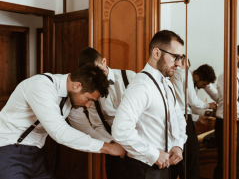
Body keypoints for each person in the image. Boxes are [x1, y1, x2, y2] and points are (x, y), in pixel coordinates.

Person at [0, 65, 126, 179]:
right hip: (9, 150)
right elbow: (60, 132)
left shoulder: (71, 98)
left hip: (36, 154)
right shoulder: (40, 87)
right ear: (77, 86)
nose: (88, 105)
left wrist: (112, 142)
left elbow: (85, 129)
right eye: (89, 99)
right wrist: (109, 148)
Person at [112, 30, 187, 179]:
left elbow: (178, 116)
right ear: (156, 53)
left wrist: (178, 145)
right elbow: (120, 129)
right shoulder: (141, 86)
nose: (178, 63)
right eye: (175, 57)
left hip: (164, 167)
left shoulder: (167, 83)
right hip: (143, 169)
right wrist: (153, 154)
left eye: (181, 57)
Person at [68, 47, 136, 179]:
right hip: (115, 151)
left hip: (140, 148)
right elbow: (98, 125)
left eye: (96, 70)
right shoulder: (91, 93)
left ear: (104, 61)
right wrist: (113, 145)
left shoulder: (130, 77)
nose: (94, 76)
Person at [212, 44, 239, 179]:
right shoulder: (226, 76)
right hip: (226, 123)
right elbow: (231, 105)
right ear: (237, 57)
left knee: (237, 163)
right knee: (224, 163)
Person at [170, 61, 216, 179]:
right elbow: (193, 102)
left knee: (180, 155)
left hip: (180, 118)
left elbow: (185, 106)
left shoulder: (183, 77)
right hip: (184, 119)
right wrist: (209, 105)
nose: (203, 87)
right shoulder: (185, 75)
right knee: (192, 156)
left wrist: (198, 118)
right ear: (197, 77)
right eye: (204, 84)